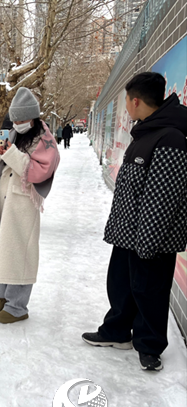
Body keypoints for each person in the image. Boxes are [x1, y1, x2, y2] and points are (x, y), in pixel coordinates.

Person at [82, 72, 187, 371]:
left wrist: (148, 243)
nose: (126, 106)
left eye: (127, 100)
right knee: (121, 286)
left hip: (151, 239)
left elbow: (163, 198)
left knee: (149, 291)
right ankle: (116, 331)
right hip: (129, 235)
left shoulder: (171, 138)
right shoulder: (145, 133)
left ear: (136, 101)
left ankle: (149, 346)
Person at [0, 87, 60, 324]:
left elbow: (37, 171)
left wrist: (10, 154)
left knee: (20, 251)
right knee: (1, 249)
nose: (18, 123)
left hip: (22, 204)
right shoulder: (9, 134)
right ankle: (0, 298)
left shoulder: (45, 140)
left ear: (33, 117)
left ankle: (17, 305)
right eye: (15, 119)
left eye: (22, 119)